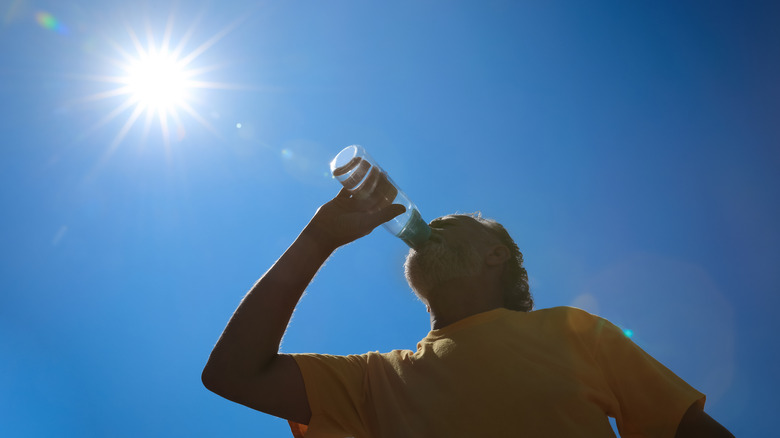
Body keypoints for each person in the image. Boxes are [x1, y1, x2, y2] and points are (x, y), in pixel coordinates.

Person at [202, 188, 734, 437]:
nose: (431, 225)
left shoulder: (571, 331)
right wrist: (318, 237)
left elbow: (689, 430)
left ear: (495, 255)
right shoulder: (375, 379)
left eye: (454, 224)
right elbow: (232, 374)